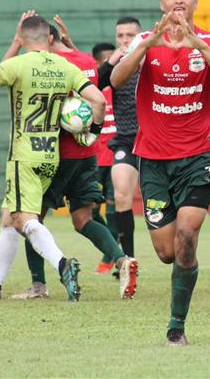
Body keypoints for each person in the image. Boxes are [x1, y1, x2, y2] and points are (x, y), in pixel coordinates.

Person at [110, 0, 210, 346]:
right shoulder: (143, 42)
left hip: (197, 157)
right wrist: (147, 42)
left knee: (186, 235)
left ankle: (176, 325)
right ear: (161, 3)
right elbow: (117, 79)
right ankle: (186, 267)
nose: (179, 0)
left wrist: (198, 44)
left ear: (196, 1)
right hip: (152, 161)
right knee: (168, 253)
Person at [0, 14, 106, 302]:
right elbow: (99, 100)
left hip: (24, 156)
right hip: (51, 155)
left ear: (23, 38)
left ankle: (62, 264)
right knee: (8, 216)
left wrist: (12, 45)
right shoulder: (64, 65)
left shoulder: (17, 64)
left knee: (23, 219)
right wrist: (93, 131)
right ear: (49, 38)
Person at [7, 23, 137, 300]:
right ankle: (121, 259)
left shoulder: (50, 64)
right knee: (83, 219)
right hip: (87, 154)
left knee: (33, 218)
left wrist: (17, 44)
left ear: (45, 39)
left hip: (54, 154)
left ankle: (39, 286)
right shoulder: (86, 61)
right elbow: (94, 91)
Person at [96, 17, 143, 260]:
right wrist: (112, 59)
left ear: (141, 36)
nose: (125, 41)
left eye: (130, 36)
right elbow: (96, 83)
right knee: (121, 193)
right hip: (126, 140)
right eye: (120, 36)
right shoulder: (114, 66)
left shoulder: (149, 59)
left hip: (154, 139)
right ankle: (127, 260)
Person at [91, 42, 121, 273]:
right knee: (89, 210)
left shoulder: (120, 88)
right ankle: (113, 247)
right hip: (93, 158)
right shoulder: (92, 90)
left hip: (114, 158)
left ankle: (110, 256)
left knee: (113, 209)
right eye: (107, 62)